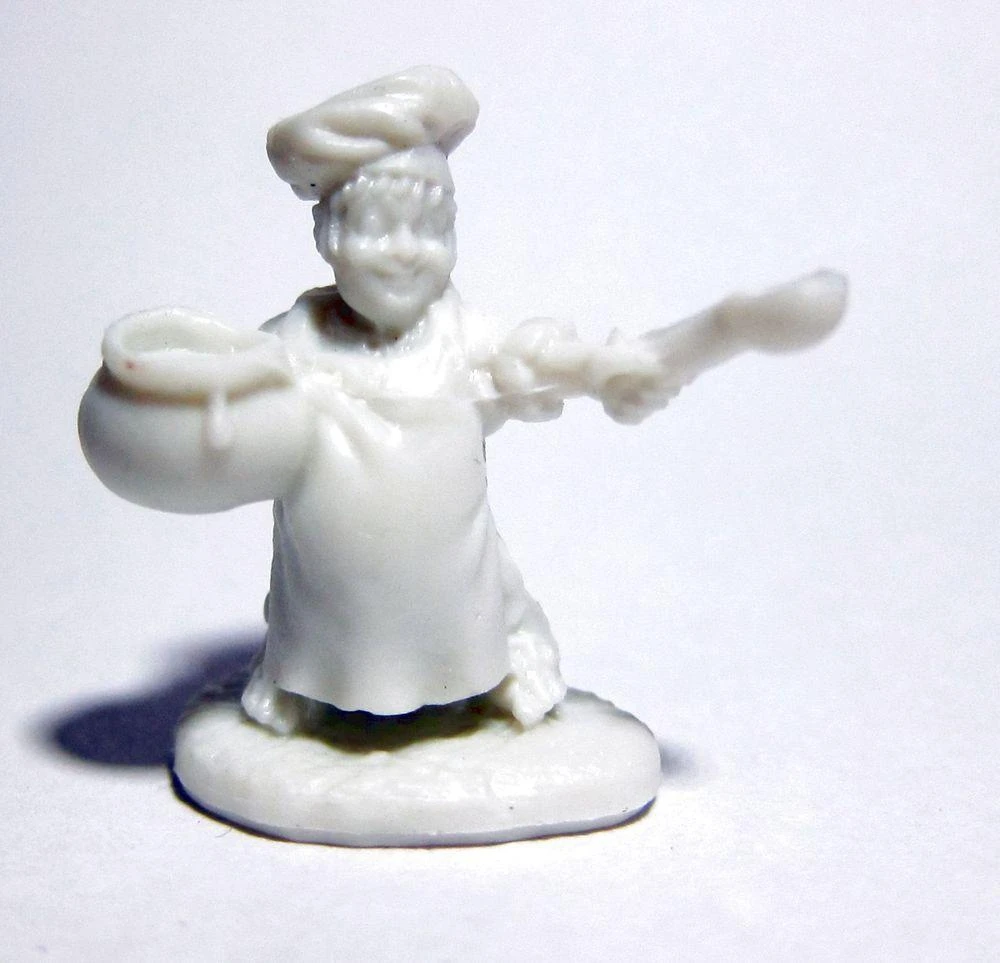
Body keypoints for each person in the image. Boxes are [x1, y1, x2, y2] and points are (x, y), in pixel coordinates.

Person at [80, 66, 846, 738]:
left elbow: (533, 361)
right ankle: (301, 683)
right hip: (329, 577)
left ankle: (504, 660)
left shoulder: (458, 333)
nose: (403, 252)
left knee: (462, 607)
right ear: (330, 238)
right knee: (324, 611)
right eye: (376, 229)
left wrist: (604, 368)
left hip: (447, 567)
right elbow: (232, 394)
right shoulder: (295, 342)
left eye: (430, 230)